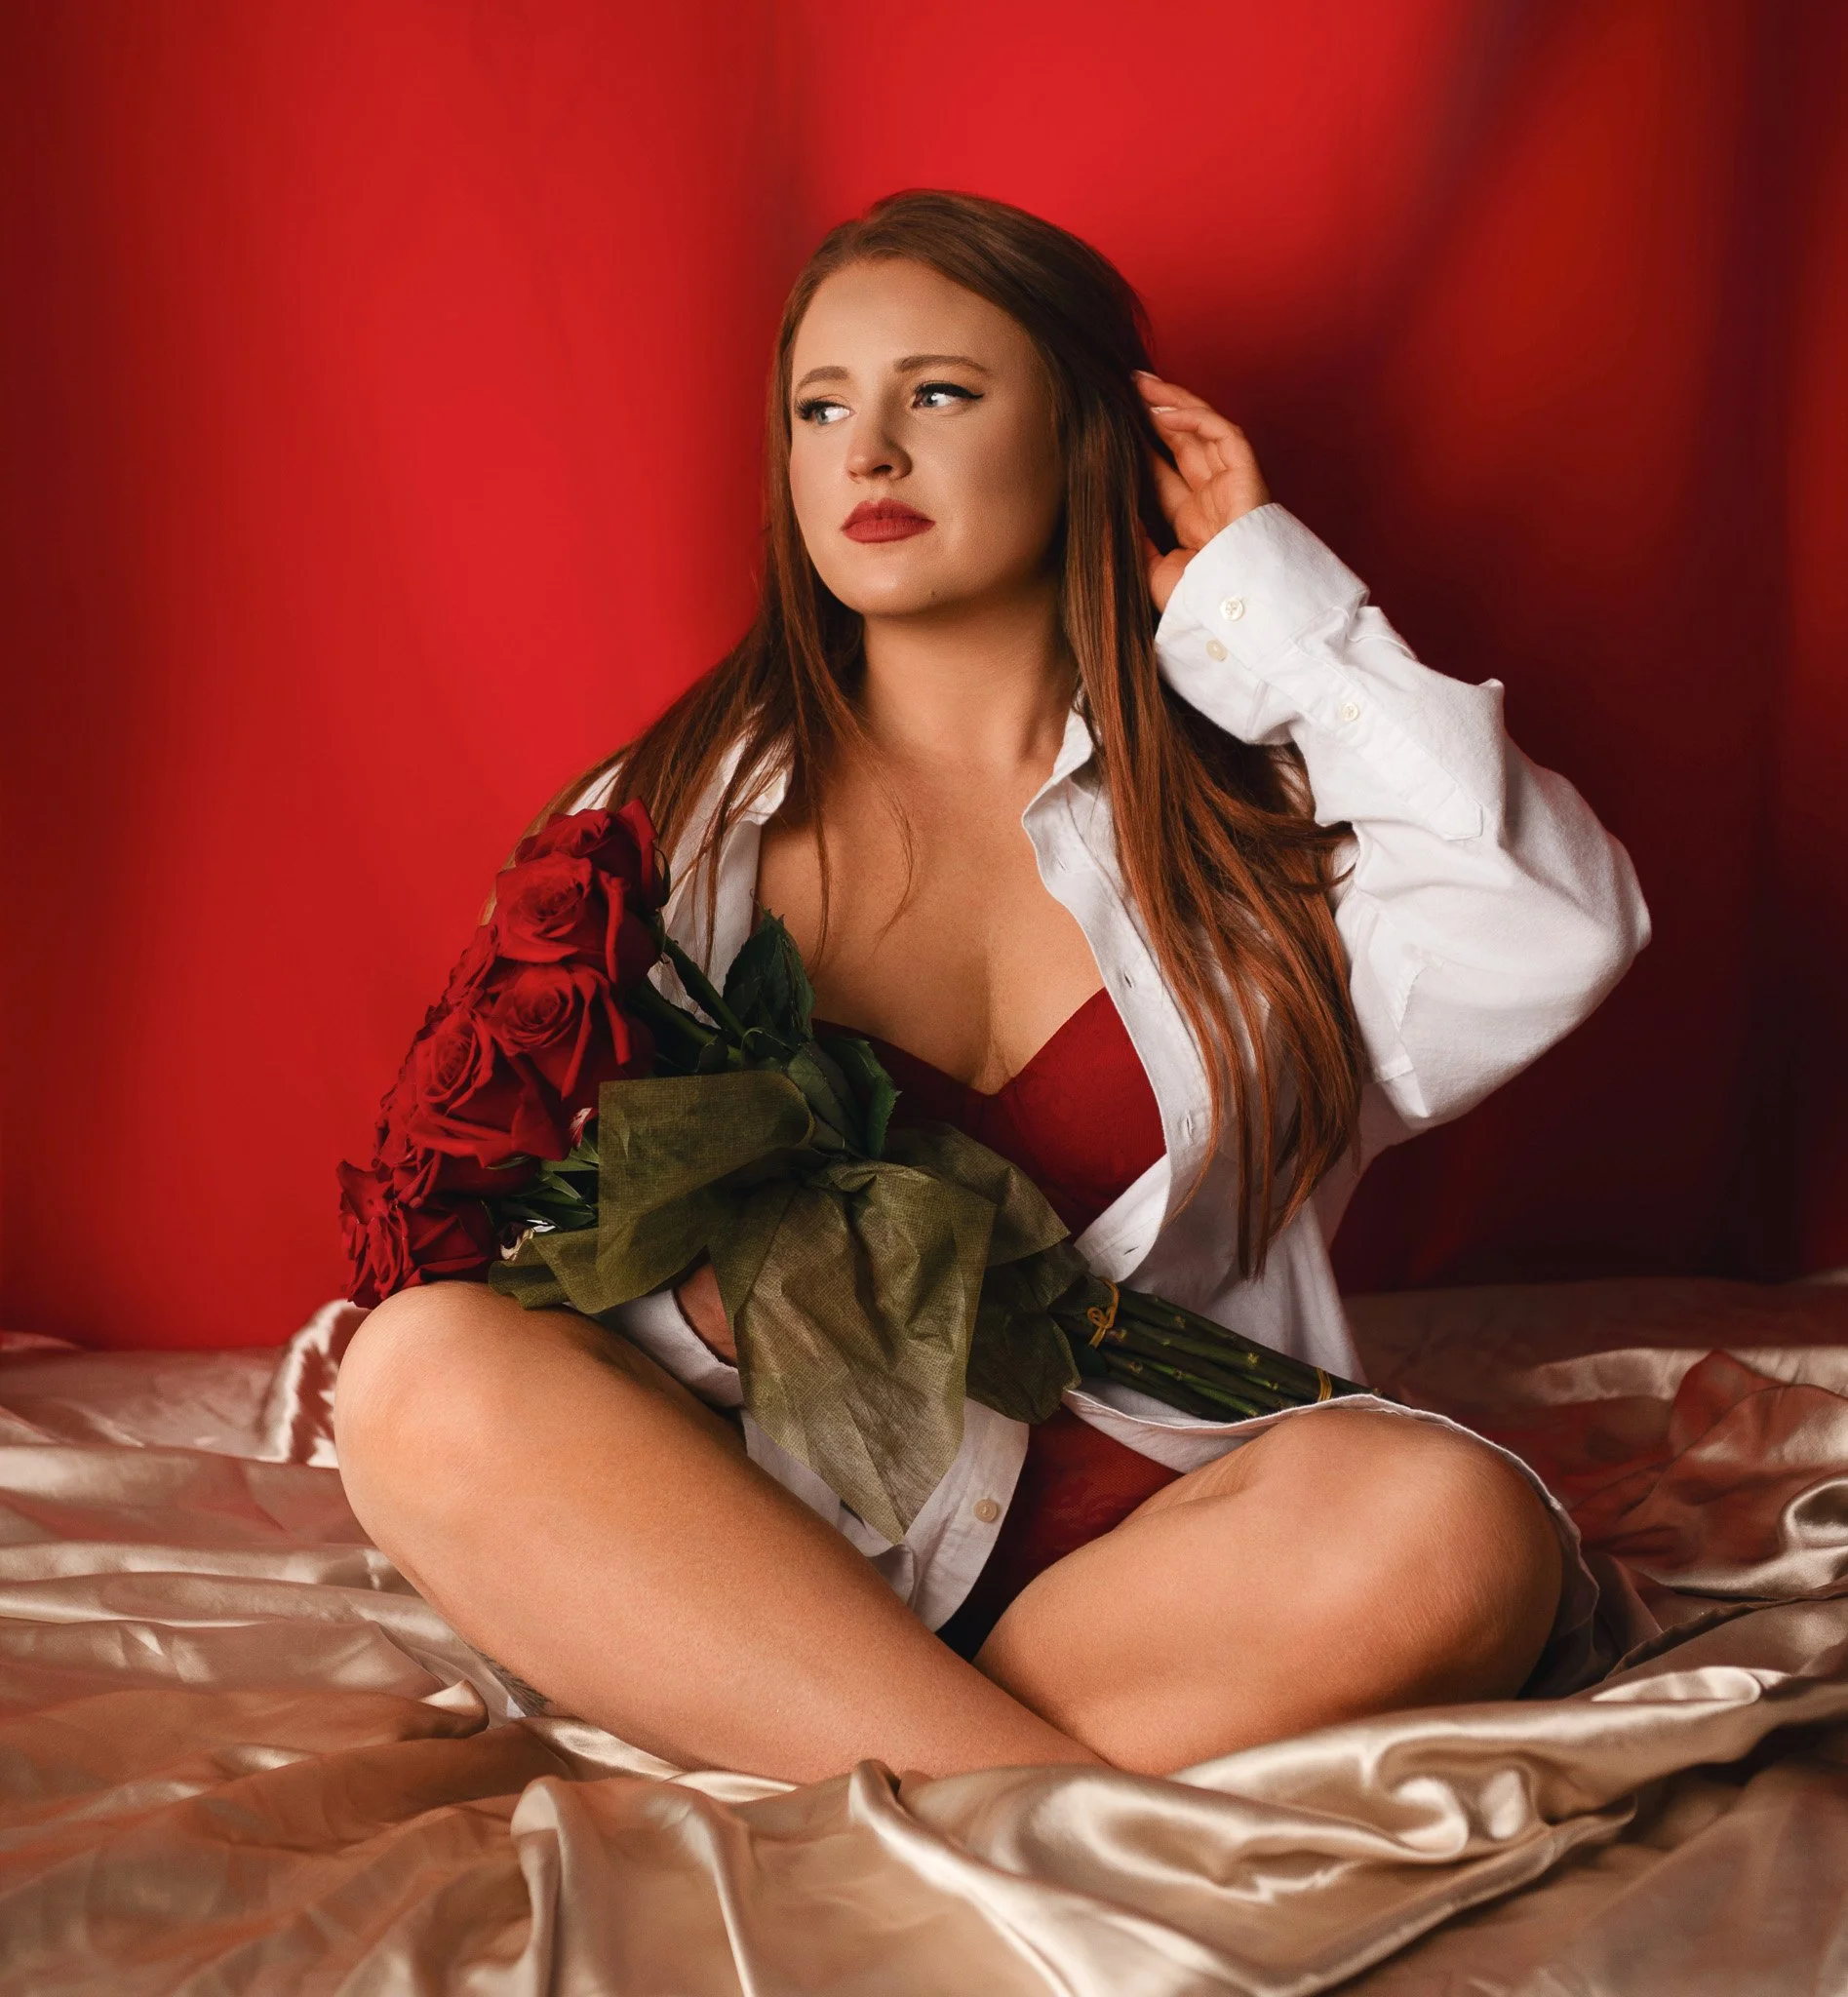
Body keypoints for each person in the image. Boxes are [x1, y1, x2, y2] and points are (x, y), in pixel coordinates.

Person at [334, 190, 1651, 1784]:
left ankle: (865, 1769)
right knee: (419, 1373)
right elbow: (523, 1246)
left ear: (1100, 438)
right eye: (822, 409)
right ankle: (1010, 1796)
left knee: (1456, 1528)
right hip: (749, 1556)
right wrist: (691, 1311)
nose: (866, 454)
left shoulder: (1255, 828)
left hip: (1149, 1568)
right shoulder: (663, 821)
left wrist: (1271, 607)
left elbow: (1558, 927)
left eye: (936, 394)